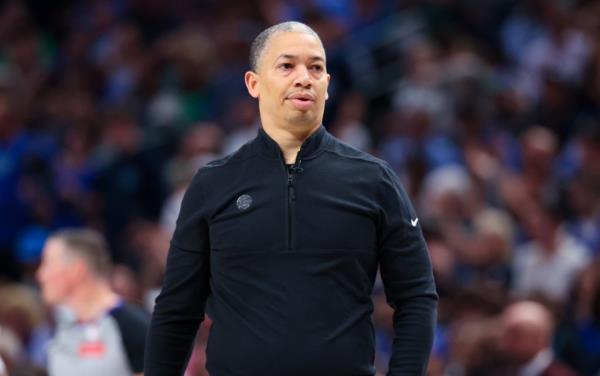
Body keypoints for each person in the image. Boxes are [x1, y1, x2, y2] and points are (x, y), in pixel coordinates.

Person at [145, 21, 438, 376]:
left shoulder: (375, 180)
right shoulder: (213, 184)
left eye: (316, 67)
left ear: (327, 85)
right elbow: (177, 310)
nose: (304, 77)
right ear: (253, 83)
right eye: (287, 66)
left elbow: (416, 298)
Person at [36, 229, 149, 376]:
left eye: (47, 263)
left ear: (76, 270)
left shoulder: (134, 328)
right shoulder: (63, 329)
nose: (40, 275)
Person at [500, 301, 579, 376]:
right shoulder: (504, 370)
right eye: (506, 335)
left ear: (539, 339)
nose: (507, 343)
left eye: (516, 336)